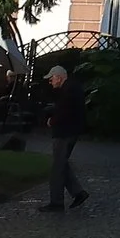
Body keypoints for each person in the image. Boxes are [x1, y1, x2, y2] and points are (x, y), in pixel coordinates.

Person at [41, 64, 90, 212]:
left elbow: (64, 111)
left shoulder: (68, 91)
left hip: (64, 132)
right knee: (61, 163)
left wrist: (52, 120)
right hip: (70, 131)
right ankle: (78, 193)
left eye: (51, 79)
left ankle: (56, 202)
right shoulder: (71, 88)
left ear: (59, 77)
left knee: (57, 167)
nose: (50, 82)